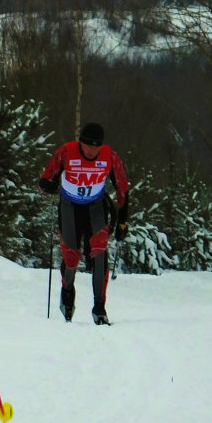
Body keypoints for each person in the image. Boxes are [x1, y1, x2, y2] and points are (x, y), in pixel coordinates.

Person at [37, 122, 130, 325]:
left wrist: (122, 221)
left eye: (96, 147)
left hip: (95, 207)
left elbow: (122, 187)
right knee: (71, 256)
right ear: (81, 143)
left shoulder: (109, 156)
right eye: (88, 146)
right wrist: (48, 185)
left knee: (99, 251)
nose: (92, 151)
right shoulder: (66, 152)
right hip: (70, 206)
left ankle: (99, 307)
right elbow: (45, 178)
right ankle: (67, 294)